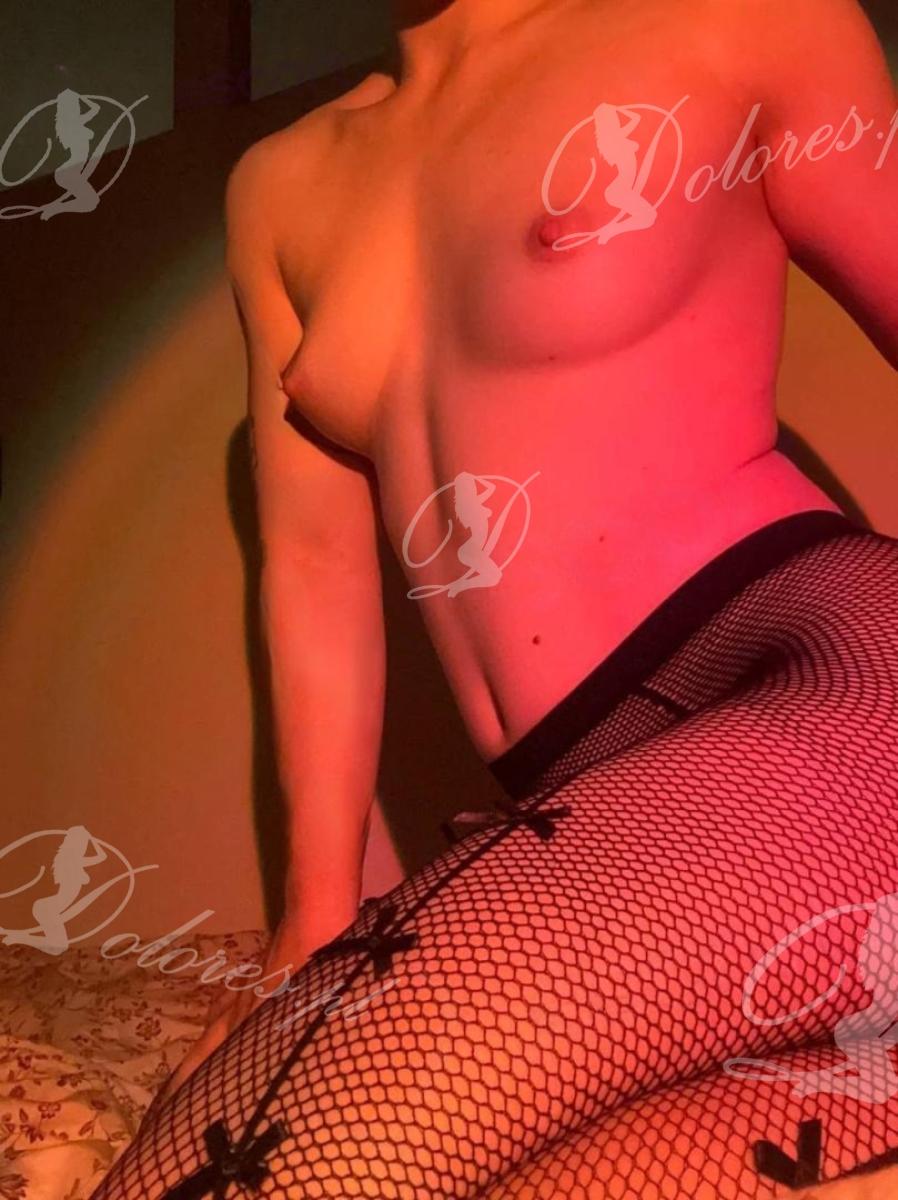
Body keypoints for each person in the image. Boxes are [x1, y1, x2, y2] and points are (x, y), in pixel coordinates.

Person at [91, 0, 898, 1195]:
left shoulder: (733, 20)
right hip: (595, 784)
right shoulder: (282, 183)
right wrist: (310, 927)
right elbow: (312, 563)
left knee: (263, 1168)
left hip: (836, 678)